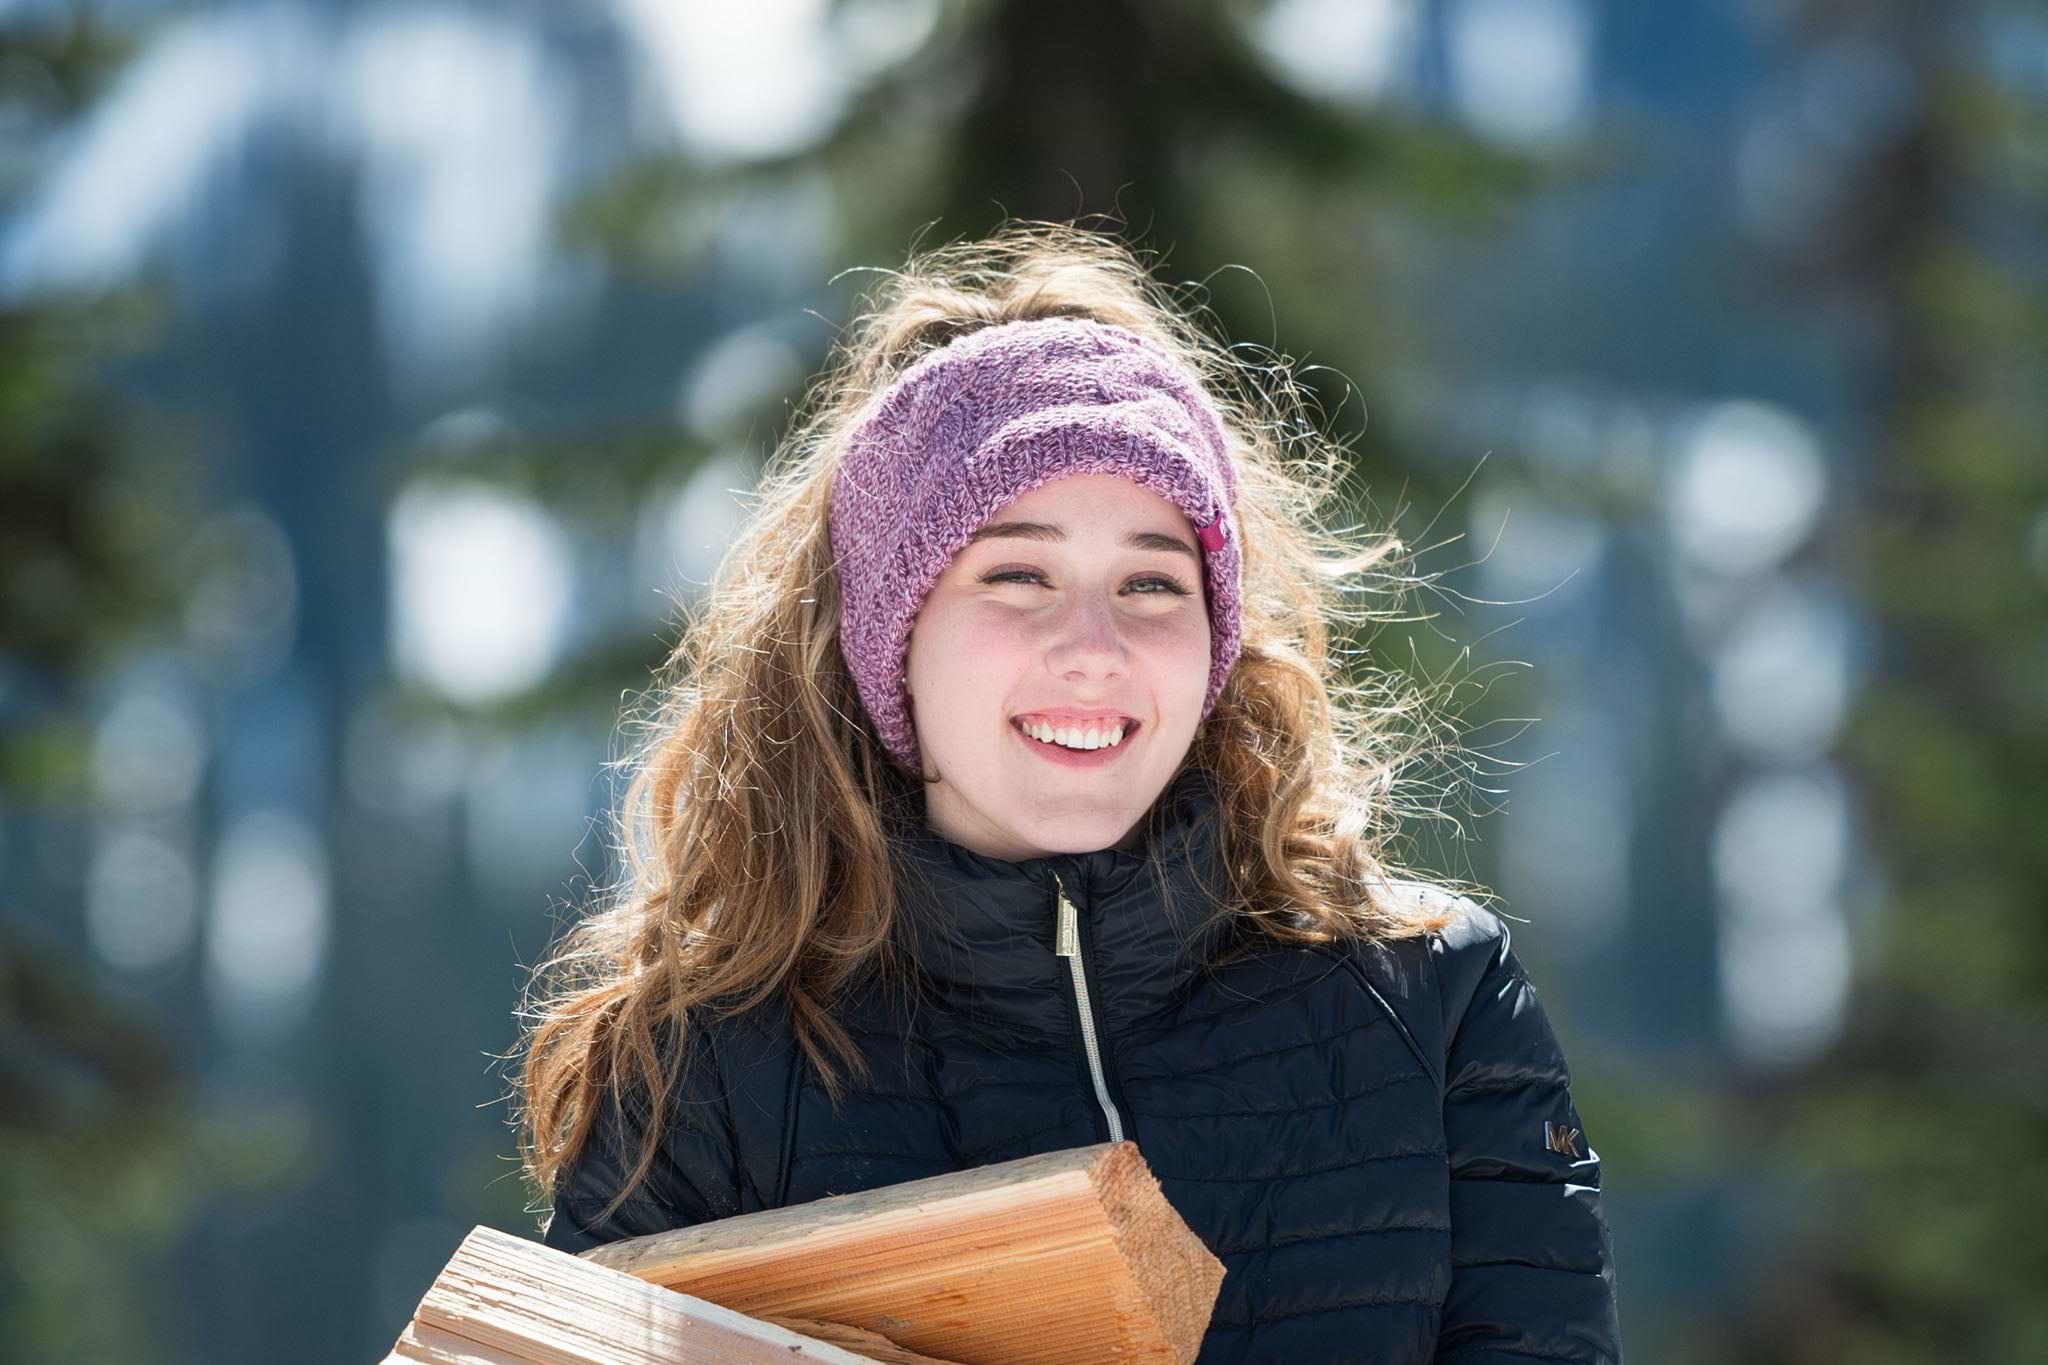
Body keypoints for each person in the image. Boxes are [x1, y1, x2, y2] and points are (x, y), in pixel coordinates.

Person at [513, 224, 1623, 1363]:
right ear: (889, 632)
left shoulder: (1430, 998)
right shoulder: (707, 1069)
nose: (1093, 649)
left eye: (1151, 581)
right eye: (1018, 574)